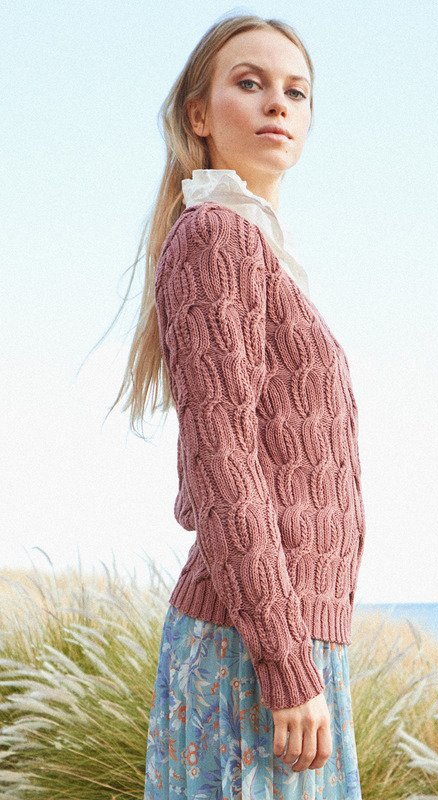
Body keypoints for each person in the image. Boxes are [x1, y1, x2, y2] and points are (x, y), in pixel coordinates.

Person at [110, 12, 366, 799]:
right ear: (198, 113)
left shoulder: (257, 245)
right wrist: (286, 663)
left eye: (296, 91)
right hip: (254, 649)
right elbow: (225, 466)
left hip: (284, 640)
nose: (277, 103)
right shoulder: (217, 236)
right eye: (249, 83)